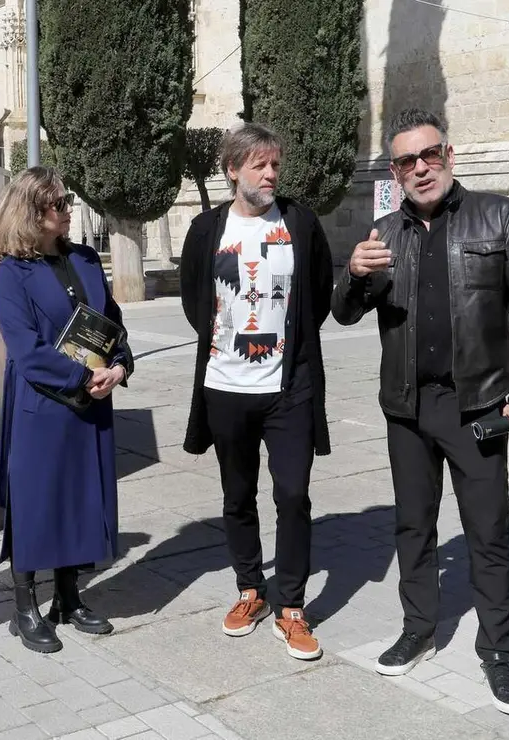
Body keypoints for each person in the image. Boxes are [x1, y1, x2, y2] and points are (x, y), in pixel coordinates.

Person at [331, 108, 509, 716]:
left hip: (476, 406)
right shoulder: (384, 232)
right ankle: (419, 629)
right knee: (413, 526)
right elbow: (344, 313)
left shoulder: (498, 215)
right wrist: (352, 274)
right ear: (395, 172)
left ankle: (499, 652)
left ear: (449, 156)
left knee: (488, 532)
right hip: (407, 407)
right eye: (407, 161)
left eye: (430, 155)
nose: (421, 168)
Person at [179, 121, 334, 661]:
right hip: (225, 385)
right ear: (232, 170)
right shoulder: (206, 229)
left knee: (292, 494)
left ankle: (291, 605)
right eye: (259, 165)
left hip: (288, 387)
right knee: (237, 495)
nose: (270, 174)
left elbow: (318, 293)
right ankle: (251, 589)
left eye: (275, 165)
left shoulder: (300, 222)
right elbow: (194, 299)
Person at [0, 166, 133, 653]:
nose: (68, 209)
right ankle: (24, 606)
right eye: (58, 203)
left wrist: (120, 365)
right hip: (43, 402)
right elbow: (25, 349)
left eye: (67, 200)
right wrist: (82, 377)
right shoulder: (12, 272)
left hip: (92, 403)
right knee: (36, 501)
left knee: (79, 497)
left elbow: (112, 323)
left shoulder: (86, 259)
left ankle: (68, 599)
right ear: (32, 212)